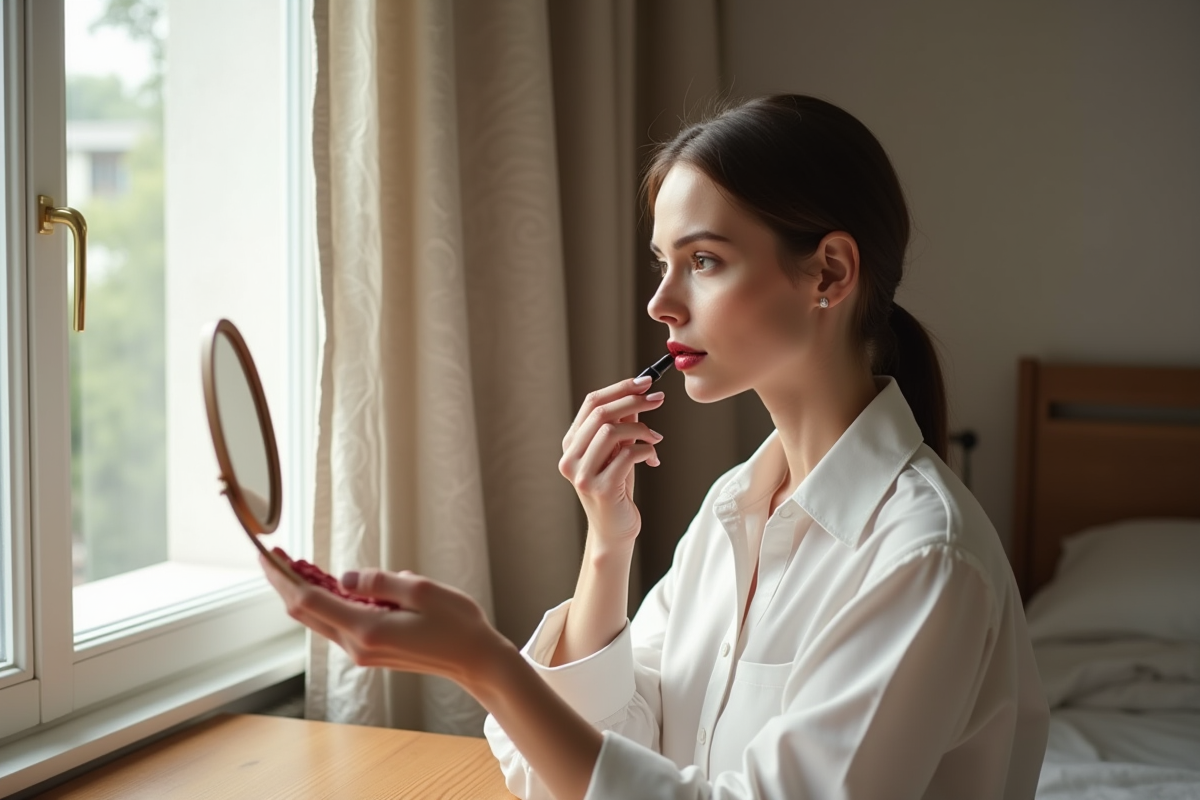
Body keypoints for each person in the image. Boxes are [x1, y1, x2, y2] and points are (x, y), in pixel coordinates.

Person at [262, 94, 1049, 799]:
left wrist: (487, 664)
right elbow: (575, 770)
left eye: (703, 261)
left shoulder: (923, 559)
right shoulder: (732, 508)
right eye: (663, 264)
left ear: (829, 273)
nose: (661, 302)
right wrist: (607, 547)